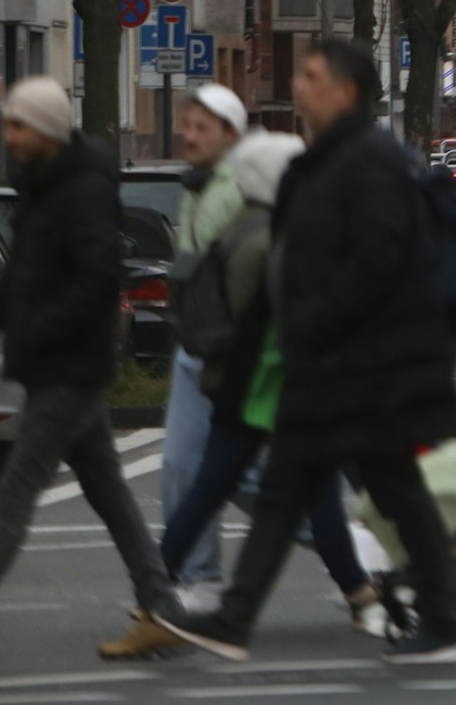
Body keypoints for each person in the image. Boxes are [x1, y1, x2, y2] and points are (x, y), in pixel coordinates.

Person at [157, 40, 456, 664]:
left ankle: (445, 620)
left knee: (381, 490)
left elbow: (378, 261)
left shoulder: (368, 162)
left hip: (360, 365)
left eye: (312, 76)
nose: (298, 85)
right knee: (297, 489)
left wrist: (314, 318)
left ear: (346, 92)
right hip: (334, 365)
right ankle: (238, 617)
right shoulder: (330, 160)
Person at [0, 77, 186, 662]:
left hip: (68, 369)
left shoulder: (78, 192)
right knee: (110, 496)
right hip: (61, 367)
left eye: (17, 125)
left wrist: (32, 332)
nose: (7, 135)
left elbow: (96, 281)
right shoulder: (44, 185)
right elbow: (16, 281)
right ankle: (163, 609)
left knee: (15, 496)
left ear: (48, 132)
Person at [158, 132, 382, 633]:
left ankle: (357, 593)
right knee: (296, 493)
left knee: (221, 492)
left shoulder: (242, 230)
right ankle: (362, 593)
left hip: (255, 392)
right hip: (271, 391)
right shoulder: (272, 239)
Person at [165, 84, 248, 600]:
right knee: (178, 463)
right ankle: (198, 577)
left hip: (233, 352)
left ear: (231, 136)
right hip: (194, 348)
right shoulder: (195, 186)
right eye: (187, 126)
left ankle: (350, 554)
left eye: (202, 128)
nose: (189, 137)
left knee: (256, 478)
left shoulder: (237, 189)